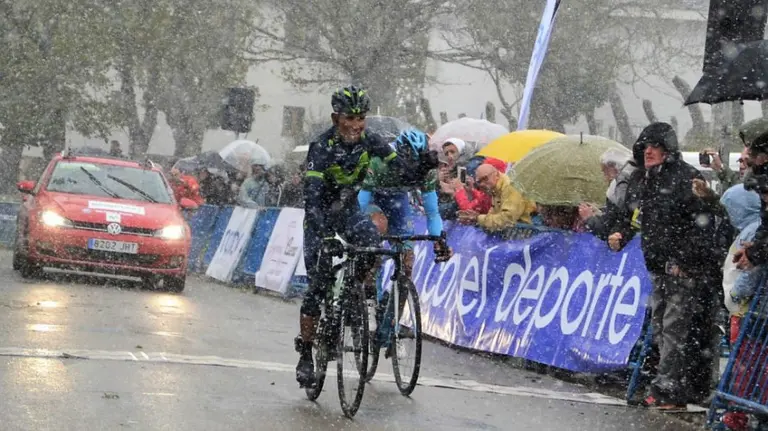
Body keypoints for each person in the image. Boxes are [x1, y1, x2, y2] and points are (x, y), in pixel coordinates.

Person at [295, 86, 441, 387]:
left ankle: (351, 298)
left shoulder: (372, 141)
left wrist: (420, 167)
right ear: (336, 118)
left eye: (361, 118)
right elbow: (311, 196)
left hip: (349, 212)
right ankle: (307, 353)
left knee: (373, 247)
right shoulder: (322, 146)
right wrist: (323, 233)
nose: (356, 124)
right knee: (318, 286)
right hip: (320, 215)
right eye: (350, 117)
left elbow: (401, 173)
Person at [358, 129, 447, 278]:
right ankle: (369, 288)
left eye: (416, 163)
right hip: (372, 196)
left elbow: (432, 212)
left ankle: (400, 293)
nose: (412, 168)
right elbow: (361, 203)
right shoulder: (379, 162)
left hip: (397, 201)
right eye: (408, 162)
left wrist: (437, 238)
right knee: (379, 226)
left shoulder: (427, 170)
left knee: (407, 260)